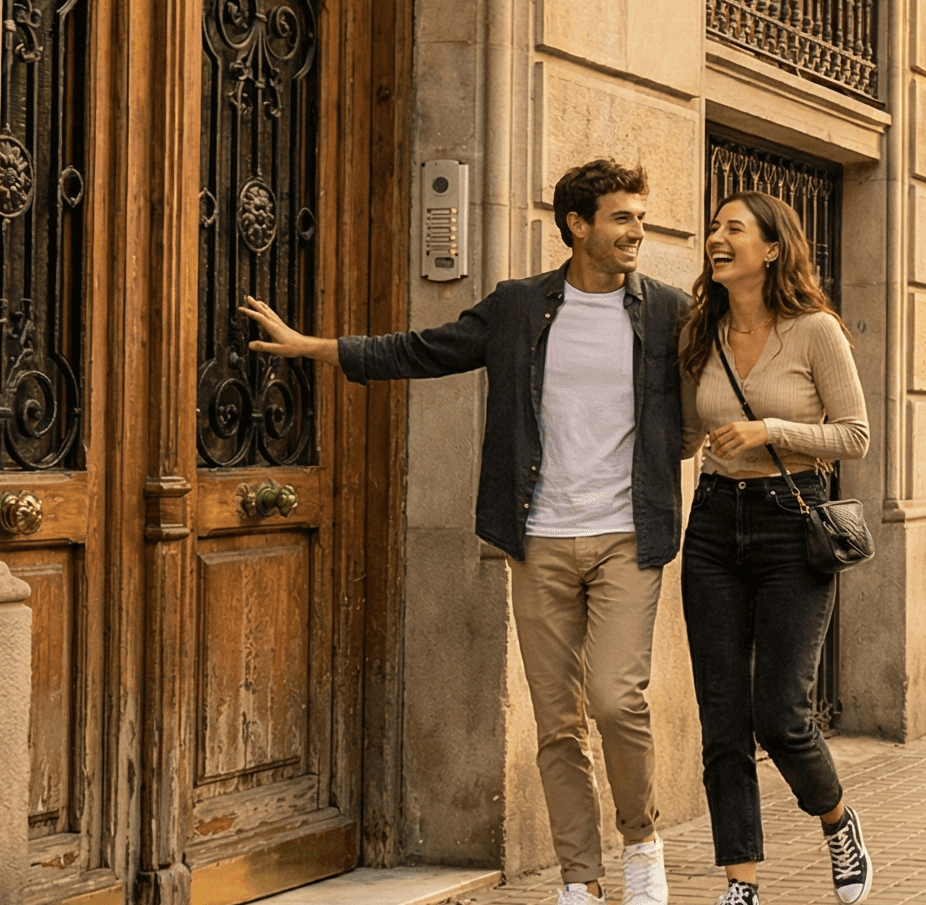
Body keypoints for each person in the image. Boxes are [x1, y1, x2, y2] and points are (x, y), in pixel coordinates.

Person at [240, 160, 688, 905]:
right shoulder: (518, 307)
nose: (637, 231)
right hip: (538, 535)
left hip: (625, 537)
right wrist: (317, 347)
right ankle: (580, 879)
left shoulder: (667, 311)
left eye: (639, 217)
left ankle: (640, 839)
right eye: (622, 218)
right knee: (557, 721)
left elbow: (714, 379)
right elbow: (426, 349)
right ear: (578, 225)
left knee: (617, 701)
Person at [679, 192, 875, 905]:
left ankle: (836, 819)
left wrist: (770, 431)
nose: (716, 238)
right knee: (721, 717)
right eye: (714, 228)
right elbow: (679, 434)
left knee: (780, 715)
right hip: (711, 524)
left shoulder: (815, 330)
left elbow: (854, 435)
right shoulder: (702, 331)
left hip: (791, 524)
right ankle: (741, 883)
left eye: (733, 228)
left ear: (770, 249)